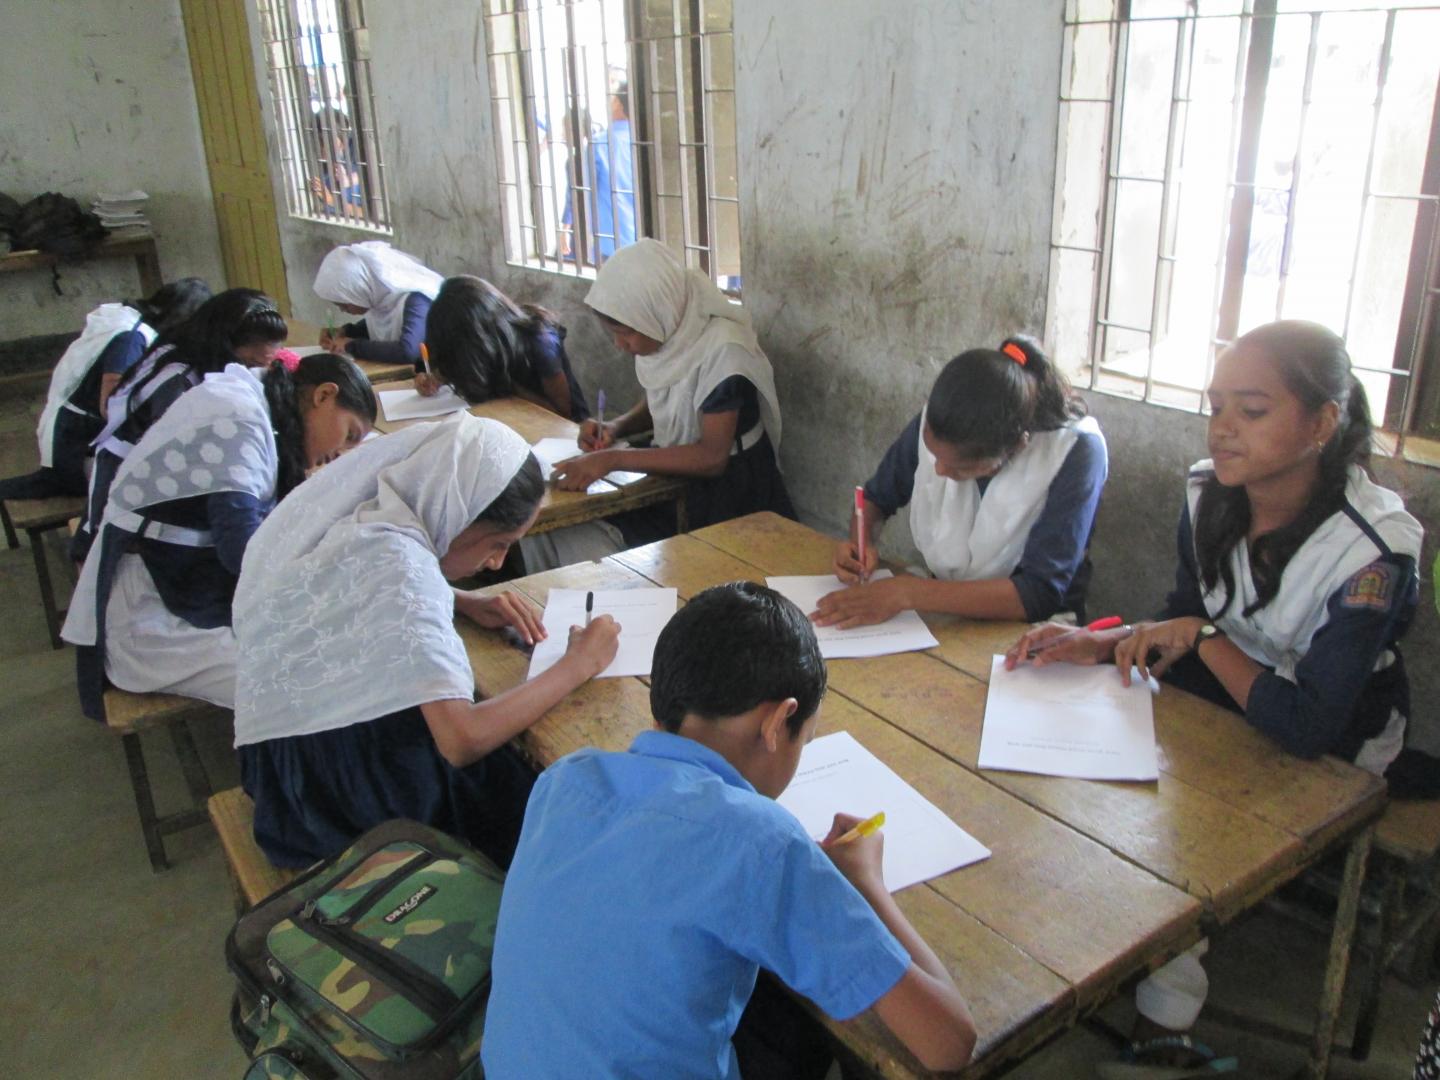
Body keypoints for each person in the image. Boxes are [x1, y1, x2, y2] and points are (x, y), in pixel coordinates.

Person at [1004, 319, 1422, 1069]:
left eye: (1252, 411)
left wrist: (1195, 636)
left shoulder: (1374, 549)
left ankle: (1162, 1021)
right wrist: (1101, 641)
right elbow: (1182, 612)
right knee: (1093, 782)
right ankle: (1122, 973)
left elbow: (1306, 724)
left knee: (1178, 836)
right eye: (1216, 405)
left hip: (1333, 738)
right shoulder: (1208, 491)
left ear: (1323, 422)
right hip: (1228, 686)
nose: (1224, 430)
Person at [482, 581, 976, 1078]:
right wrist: (866, 882)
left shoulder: (565, 778)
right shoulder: (762, 842)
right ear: (778, 721)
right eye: (805, 736)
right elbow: (949, 1042)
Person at [230, 415, 621, 869]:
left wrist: (459, 599)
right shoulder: (405, 568)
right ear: (454, 512)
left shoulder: (368, 513)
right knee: (539, 790)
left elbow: (349, 584)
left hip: (281, 769)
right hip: (339, 803)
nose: (497, 564)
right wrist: (577, 664)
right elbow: (462, 739)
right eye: (496, 543)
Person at [62, 355, 376, 719]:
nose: (340, 451)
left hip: (183, 580)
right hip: (152, 620)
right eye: (349, 434)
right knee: (311, 674)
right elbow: (243, 553)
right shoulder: (239, 417)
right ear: (323, 395)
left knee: (332, 633)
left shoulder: (255, 402)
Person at [813, 336, 1108, 629]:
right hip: (938, 604)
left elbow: (1037, 594)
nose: (939, 469)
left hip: (1035, 628)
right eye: (934, 455)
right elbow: (876, 498)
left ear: (1016, 447)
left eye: (959, 467)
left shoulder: (1075, 453)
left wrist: (908, 592)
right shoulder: (943, 421)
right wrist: (859, 543)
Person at [540, 239, 793, 569]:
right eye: (613, 333)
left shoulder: (724, 352)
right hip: (681, 475)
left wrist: (613, 459)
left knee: (693, 573)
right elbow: (670, 396)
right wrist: (616, 427)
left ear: (656, 310)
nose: (620, 345)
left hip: (732, 491)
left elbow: (711, 457)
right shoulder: (673, 332)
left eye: (626, 333)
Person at [72, 288, 288, 563]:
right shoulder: (179, 379)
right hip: (130, 480)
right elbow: (192, 450)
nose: (249, 374)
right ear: (225, 343)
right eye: (249, 364)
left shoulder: (194, 351)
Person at [0, 279, 210, 504]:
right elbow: (110, 407)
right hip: (74, 444)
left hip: (67, 429)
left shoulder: (128, 320)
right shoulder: (130, 339)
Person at [422, 275, 589, 420]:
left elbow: (562, 414)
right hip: (507, 419)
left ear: (478, 339)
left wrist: (508, 388)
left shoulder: (541, 342)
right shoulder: (490, 346)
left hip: (563, 435)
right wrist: (437, 378)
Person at [313, 240, 442, 371]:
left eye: (345, 305)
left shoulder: (416, 300)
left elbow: (408, 351)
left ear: (361, 289)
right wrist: (346, 331)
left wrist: (351, 345)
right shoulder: (381, 298)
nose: (342, 310)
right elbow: (380, 326)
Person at [559, 82, 636, 264]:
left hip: (611, 242)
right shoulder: (643, 142)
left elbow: (579, 191)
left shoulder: (600, 145)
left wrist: (565, 227)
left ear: (618, 103)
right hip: (643, 241)